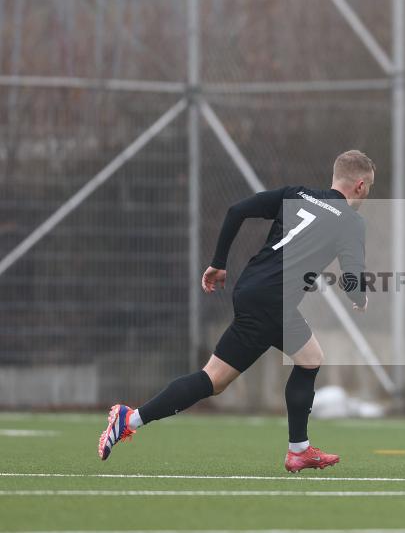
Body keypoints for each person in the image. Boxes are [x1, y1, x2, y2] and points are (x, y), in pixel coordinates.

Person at [98, 150, 374, 473]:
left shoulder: (296, 194)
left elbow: (236, 210)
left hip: (250, 288)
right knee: (306, 360)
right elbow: (352, 279)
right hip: (273, 301)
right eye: (369, 187)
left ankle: (128, 419)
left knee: (216, 379)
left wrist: (217, 263)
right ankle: (297, 450)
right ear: (359, 186)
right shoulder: (352, 223)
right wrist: (360, 297)